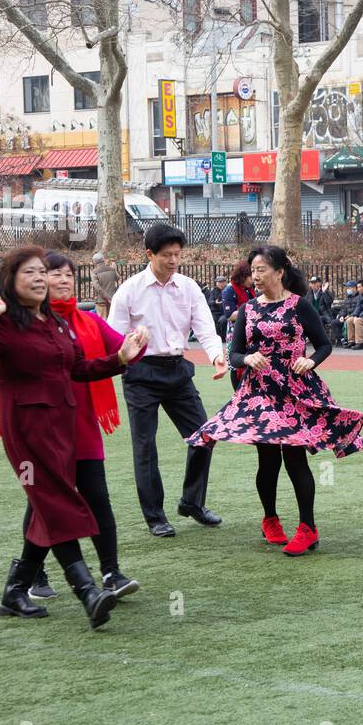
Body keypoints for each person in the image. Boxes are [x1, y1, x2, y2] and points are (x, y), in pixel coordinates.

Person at [0, 245, 147, 628]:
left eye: (43, 272)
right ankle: (88, 590)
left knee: (47, 505)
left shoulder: (56, 325)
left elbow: (78, 369)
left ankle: (15, 592)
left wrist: (121, 358)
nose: (41, 278)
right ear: (10, 280)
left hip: (62, 427)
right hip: (26, 433)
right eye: (30, 272)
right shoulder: (4, 322)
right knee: (57, 502)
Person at [187, 246, 363, 557]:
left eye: (261, 270)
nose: (255, 276)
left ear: (279, 272)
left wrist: (311, 362)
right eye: (252, 270)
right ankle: (270, 519)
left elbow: (324, 344)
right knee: (267, 460)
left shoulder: (300, 305)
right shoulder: (248, 309)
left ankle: (308, 528)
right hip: (259, 392)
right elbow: (234, 353)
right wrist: (248, 356)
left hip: (295, 391)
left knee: (295, 459)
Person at [24, 251, 143, 601]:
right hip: (45, 428)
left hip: (83, 425)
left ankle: (111, 573)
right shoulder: (30, 323)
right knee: (43, 504)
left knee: (97, 499)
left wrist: (138, 343)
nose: (63, 281)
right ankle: (33, 575)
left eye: (69, 276)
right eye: (55, 274)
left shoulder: (89, 321)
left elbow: (120, 349)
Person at [107, 223, 229, 537]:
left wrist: (216, 354)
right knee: (145, 447)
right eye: (166, 255)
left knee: (205, 436)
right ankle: (155, 517)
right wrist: (129, 345)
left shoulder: (188, 288)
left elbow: (204, 327)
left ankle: (192, 502)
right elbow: (112, 336)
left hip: (177, 370)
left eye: (177, 254)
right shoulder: (130, 290)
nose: (173, 260)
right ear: (149, 254)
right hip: (140, 374)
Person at [219, 262, 256, 391]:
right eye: (251, 275)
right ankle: (237, 393)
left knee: (250, 362)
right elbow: (229, 315)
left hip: (251, 331)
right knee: (236, 364)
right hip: (235, 332)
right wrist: (250, 310)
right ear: (243, 276)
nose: (254, 278)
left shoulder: (249, 289)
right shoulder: (229, 290)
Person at [92, 252, 118, 320]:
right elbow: (117, 278)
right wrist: (115, 269)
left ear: (94, 262)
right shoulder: (111, 269)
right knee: (112, 320)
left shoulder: (94, 272)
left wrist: (107, 297)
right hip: (112, 299)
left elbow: (97, 287)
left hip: (101, 300)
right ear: (103, 259)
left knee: (102, 322)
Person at [336, 280, 358, 345]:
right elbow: (343, 309)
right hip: (346, 317)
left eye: (349, 288)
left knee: (349, 321)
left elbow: (358, 309)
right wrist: (341, 316)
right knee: (334, 323)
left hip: (353, 316)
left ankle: (350, 341)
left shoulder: (359, 297)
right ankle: (342, 340)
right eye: (347, 288)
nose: (347, 289)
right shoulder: (347, 298)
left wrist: (351, 315)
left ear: (354, 288)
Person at [206, 274, 228, 340]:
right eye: (219, 282)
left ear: (225, 283)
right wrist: (215, 302)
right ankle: (216, 337)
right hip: (215, 312)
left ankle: (223, 337)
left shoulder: (228, 290)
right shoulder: (213, 291)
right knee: (211, 320)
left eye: (222, 282)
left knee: (222, 320)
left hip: (225, 312)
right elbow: (209, 302)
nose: (220, 284)